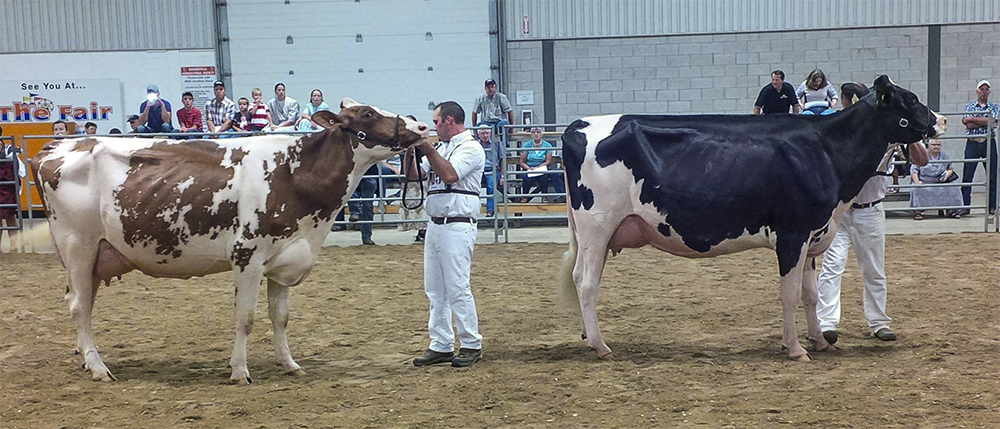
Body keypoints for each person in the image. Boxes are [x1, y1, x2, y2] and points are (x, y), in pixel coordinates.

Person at [816, 82, 929, 345]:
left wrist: (909, 133)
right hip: (839, 212)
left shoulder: (887, 131)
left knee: (874, 269)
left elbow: (922, 160)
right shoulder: (839, 131)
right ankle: (826, 323)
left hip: (870, 209)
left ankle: (878, 322)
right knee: (832, 267)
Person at [404, 101, 485, 368]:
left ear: (450, 120)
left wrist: (425, 146)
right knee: (435, 290)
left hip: (458, 224)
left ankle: (471, 343)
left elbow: (449, 175)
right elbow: (415, 175)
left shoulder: (471, 147)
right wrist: (410, 147)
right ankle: (441, 344)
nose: (435, 126)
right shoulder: (440, 148)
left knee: (458, 288)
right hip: (436, 225)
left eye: (437, 121)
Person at [960, 80, 1000, 216]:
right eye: (981, 89)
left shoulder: (994, 106)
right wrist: (985, 121)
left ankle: (992, 206)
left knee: (993, 175)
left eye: (986, 89)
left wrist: (973, 118)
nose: (984, 91)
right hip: (972, 142)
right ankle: (965, 206)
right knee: (967, 175)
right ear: (977, 91)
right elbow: (966, 123)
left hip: (988, 142)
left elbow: (994, 121)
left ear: (989, 91)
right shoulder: (970, 105)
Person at [910, 139, 963, 220]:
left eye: (938, 145)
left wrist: (946, 177)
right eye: (934, 145)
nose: (936, 147)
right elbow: (914, 170)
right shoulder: (922, 154)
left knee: (954, 187)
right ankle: (917, 211)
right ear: (929, 145)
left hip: (940, 180)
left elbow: (950, 168)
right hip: (925, 180)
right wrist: (917, 182)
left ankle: (951, 210)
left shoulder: (945, 155)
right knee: (916, 188)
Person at [398, 115, 429, 241]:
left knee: (422, 204)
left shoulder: (423, 146)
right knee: (412, 203)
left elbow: (419, 171)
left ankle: (423, 232)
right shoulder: (401, 146)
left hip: (420, 177)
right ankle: (420, 232)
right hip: (407, 179)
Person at [0, 125, 24, 253]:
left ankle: (14, 245)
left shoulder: (8, 149)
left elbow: (19, 163)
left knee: (10, 216)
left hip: (7, 187)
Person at [518, 127, 553, 203]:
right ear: (531, 134)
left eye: (538, 132)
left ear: (542, 134)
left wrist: (540, 167)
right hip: (529, 167)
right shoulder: (527, 145)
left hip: (542, 167)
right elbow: (522, 161)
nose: (536, 134)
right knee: (526, 177)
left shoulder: (547, 145)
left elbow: (548, 161)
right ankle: (525, 196)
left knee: (544, 176)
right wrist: (528, 168)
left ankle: (544, 196)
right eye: (534, 132)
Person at [477, 127, 502, 217]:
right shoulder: (475, 145)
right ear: (479, 134)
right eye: (482, 133)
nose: (485, 135)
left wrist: (502, 176)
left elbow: (502, 159)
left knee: (491, 187)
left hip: (493, 169)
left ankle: (490, 210)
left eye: (487, 133)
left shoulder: (497, 143)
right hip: (479, 170)